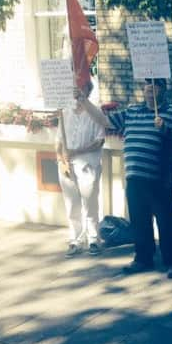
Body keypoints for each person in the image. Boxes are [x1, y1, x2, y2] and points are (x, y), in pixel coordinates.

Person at [77, 78, 172, 278]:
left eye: (155, 85)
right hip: (135, 178)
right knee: (139, 221)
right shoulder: (132, 112)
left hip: (161, 177)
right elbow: (104, 120)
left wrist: (165, 130)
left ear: (163, 89)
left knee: (167, 221)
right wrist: (84, 101)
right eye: (147, 85)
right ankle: (143, 258)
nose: (150, 88)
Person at [56, 81, 105, 257]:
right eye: (74, 88)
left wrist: (77, 151)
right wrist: (61, 159)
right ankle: (75, 239)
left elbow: (100, 140)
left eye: (80, 88)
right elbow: (59, 140)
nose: (76, 92)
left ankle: (93, 239)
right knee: (71, 204)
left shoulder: (95, 112)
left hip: (88, 164)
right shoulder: (65, 112)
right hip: (67, 164)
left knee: (90, 202)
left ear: (87, 91)